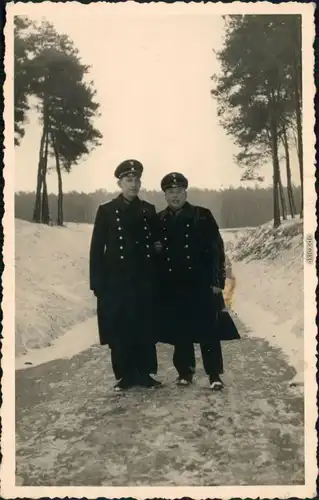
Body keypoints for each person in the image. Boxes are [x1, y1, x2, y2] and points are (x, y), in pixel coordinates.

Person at [89, 159, 161, 392]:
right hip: (116, 281)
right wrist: (97, 283)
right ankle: (125, 375)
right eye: (128, 180)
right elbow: (97, 248)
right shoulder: (107, 211)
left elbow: (157, 244)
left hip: (143, 280)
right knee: (120, 328)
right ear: (120, 183)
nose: (134, 184)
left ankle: (145, 373)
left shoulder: (147, 210)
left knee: (144, 326)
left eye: (137, 180)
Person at [156, 172, 227, 391]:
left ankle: (214, 374)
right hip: (173, 285)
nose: (174, 196)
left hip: (201, 283)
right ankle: (185, 372)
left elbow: (216, 249)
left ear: (186, 192)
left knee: (208, 330)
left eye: (178, 191)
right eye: (170, 192)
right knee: (181, 329)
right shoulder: (159, 219)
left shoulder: (202, 215)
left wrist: (217, 280)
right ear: (165, 195)